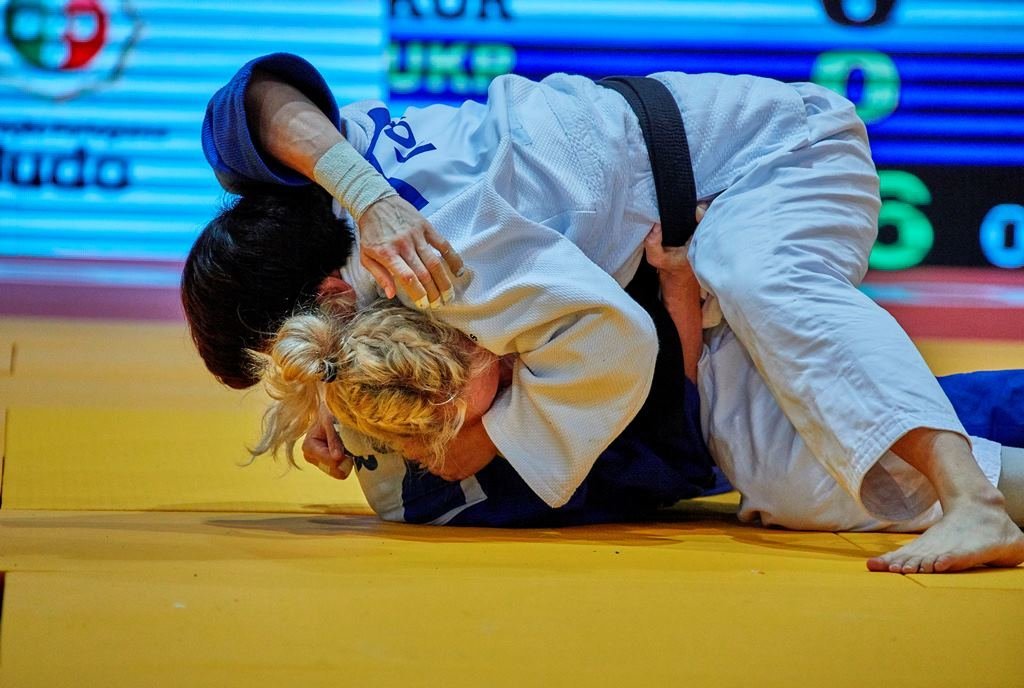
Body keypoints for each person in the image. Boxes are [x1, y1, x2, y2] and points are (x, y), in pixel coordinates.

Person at [188, 52, 1024, 573]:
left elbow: (615, 347)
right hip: (672, 266)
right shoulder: (332, 174)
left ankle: (972, 503)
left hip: (770, 158)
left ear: (333, 297)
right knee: (793, 480)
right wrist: (363, 195)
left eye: (292, 365)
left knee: (759, 276)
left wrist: (482, 438)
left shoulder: (438, 259)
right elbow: (252, 99)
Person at [248, 229, 1024, 562]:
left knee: (910, 418)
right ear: (449, 432)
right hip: (711, 408)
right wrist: (678, 294)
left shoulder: (388, 339)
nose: (500, 349)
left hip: (708, 360)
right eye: (483, 364)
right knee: (864, 457)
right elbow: (673, 454)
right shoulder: (459, 489)